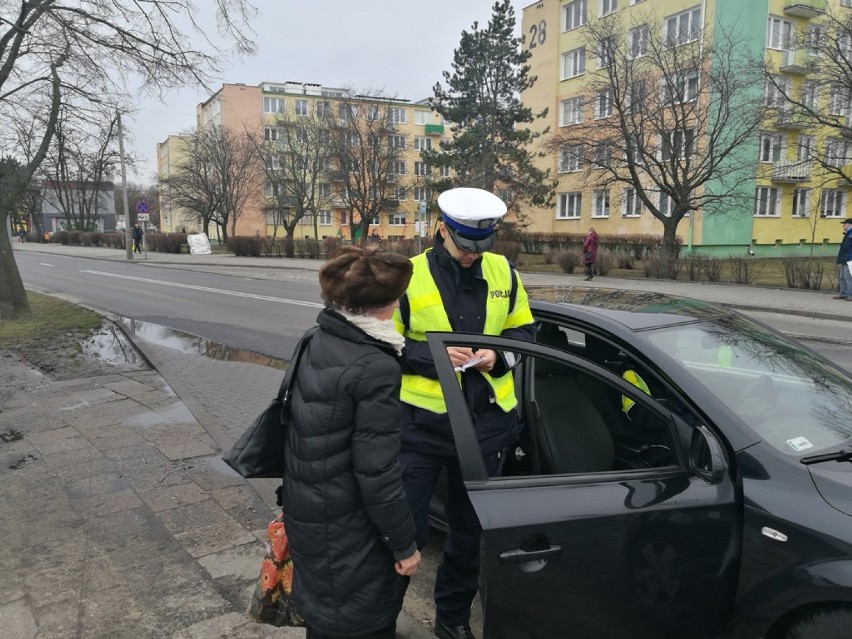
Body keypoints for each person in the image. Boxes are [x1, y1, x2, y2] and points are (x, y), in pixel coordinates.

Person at [393, 187, 535, 639]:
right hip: (422, 428)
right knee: (404, 536)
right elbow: (382, 344)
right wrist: (430, 356)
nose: (473, 256)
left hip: (486, 428)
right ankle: (380, 618)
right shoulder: (407, 276)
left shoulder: (503, 272)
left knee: (469, 536)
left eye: (482, 245)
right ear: (442, 229)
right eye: (464, 246)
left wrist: (499, 357)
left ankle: (452, 621)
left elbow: (526, 331)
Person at [281, 245, 421, 639]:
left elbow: (290, 423)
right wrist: (404, 545)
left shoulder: (318, 337)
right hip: (350, 528)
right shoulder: (375, 365)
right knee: (361, 621)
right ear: (387, 303)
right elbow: (377, 472)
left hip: (309, 509)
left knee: (325, 617)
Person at [834, 218, 852, 301]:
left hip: (850, 259)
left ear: (849, 225)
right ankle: (843, 293)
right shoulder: (847, 234)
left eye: (844, 224)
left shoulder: (850, 234)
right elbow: (844, 248)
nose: (842, 226)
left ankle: (850, 295)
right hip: (844, 258)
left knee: (848, 278)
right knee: (842, 277)